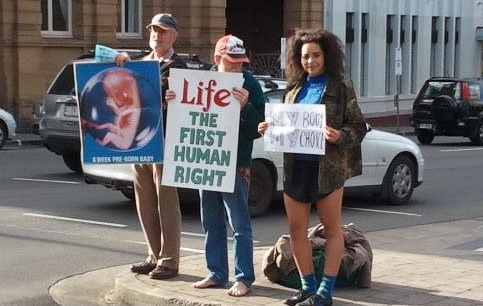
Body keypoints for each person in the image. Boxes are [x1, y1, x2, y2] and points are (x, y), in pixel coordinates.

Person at [258, 29, 366, 306]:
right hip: (296, 168)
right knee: (296, 231)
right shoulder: (293, 88)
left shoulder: (341, 87)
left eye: (315, 55)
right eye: (305, 56)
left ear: (326, 56)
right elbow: (285, 125)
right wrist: (268, 128)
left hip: (328, 169)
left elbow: (358, 126)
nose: (310, 61)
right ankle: (307, 287)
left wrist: (339, 135)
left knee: (332, 231)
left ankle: (325, 292)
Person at [166, 34, 265, 296]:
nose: (238, 67)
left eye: (241, 62)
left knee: (240, 224)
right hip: (206, 161)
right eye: (232, 62)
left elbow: (260, 128)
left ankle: (243, 277)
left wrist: (246, 107)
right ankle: (217, 273)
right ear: (217, 59)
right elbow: (185, 117)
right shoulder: (200, 82)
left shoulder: (251, 85)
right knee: (210, 220)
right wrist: (173, 100)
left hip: (235, 164)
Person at [115, 13, 188, 280]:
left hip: (165, 142)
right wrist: (118, 64)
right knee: (144, 199)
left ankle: (169, 260)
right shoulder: (140, 65)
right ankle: (153, 255)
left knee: (166, 201)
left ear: (173, 36)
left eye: (163, 31)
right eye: (154, 30)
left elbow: (182, 102)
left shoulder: (178, 66)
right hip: (139, 142)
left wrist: (170, 97)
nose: (157, 34)